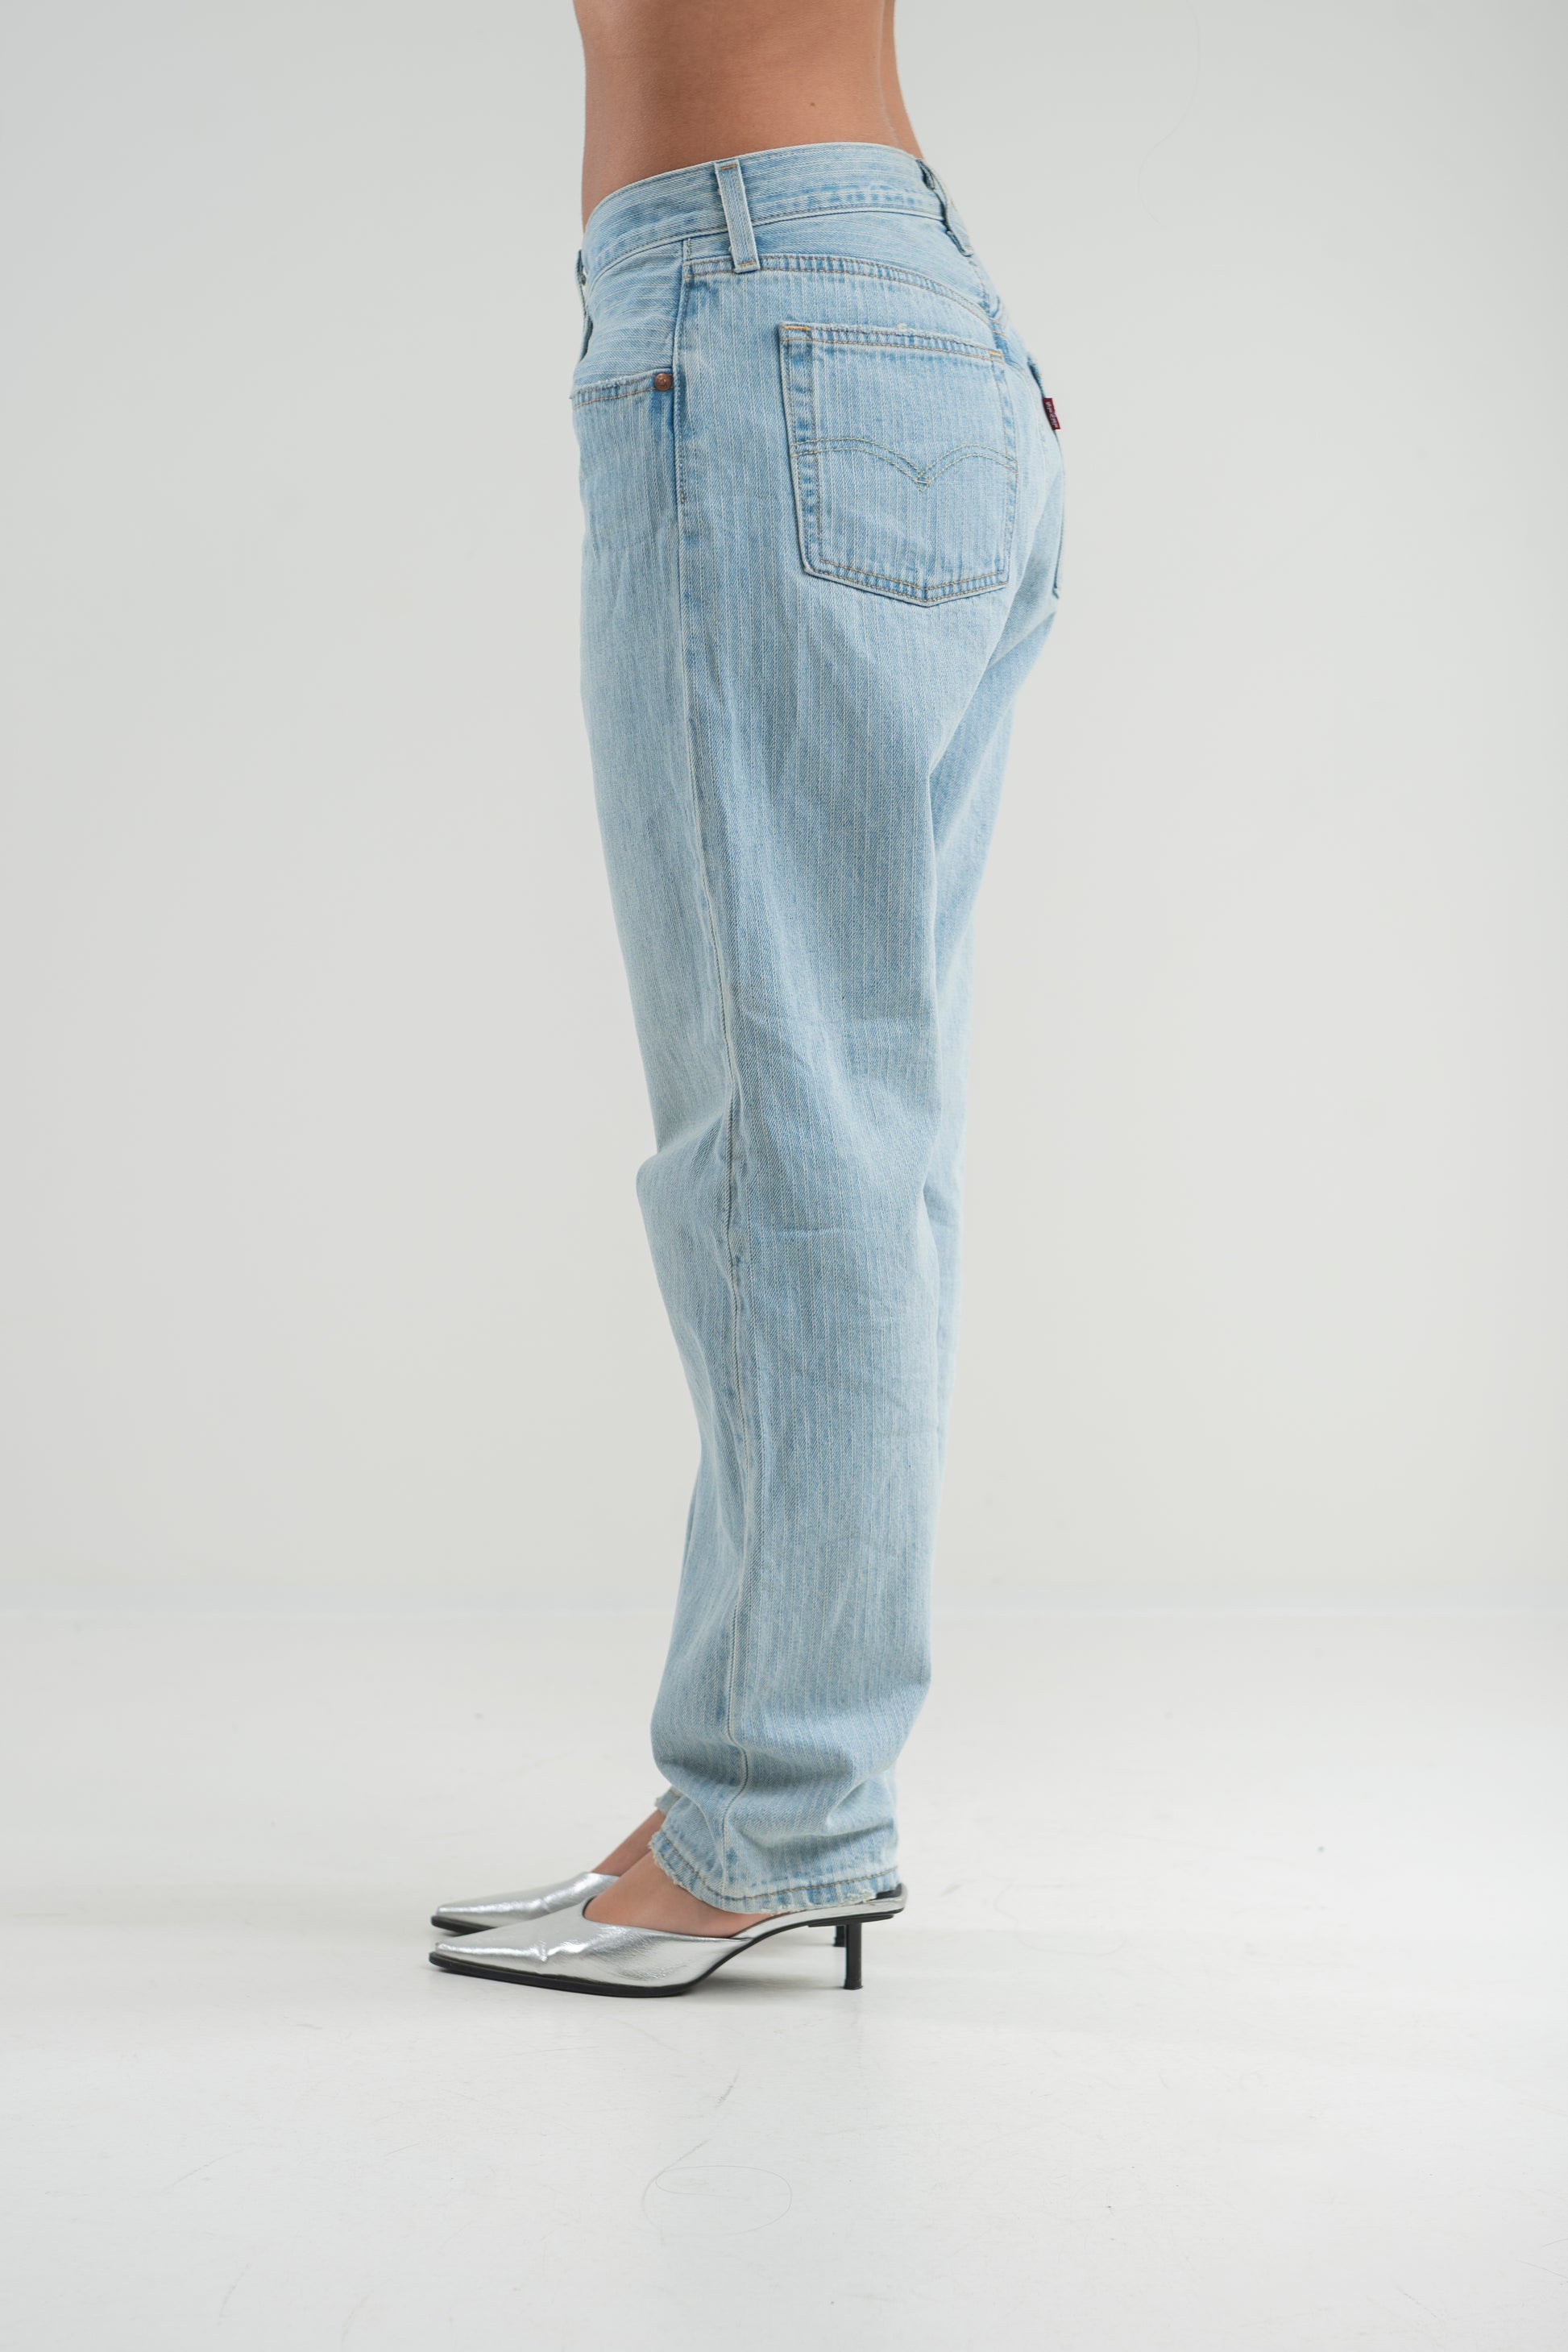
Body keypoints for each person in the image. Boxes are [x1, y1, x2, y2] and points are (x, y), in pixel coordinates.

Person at [429, 0, 1064, 1997]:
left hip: (752, 293)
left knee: (790, 1140)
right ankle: (749, 1783)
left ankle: (778, 1816)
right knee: (852, 1137)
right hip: (918, 316)